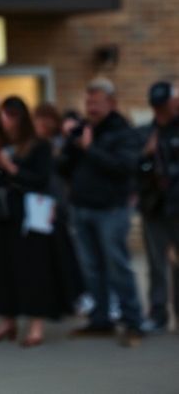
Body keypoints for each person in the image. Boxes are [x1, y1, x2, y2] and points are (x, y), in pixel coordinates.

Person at [0, 97, 81, 347]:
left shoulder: (38, 146)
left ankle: (36, 323)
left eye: (12, 115)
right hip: (3, 213)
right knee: (2, 267)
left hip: (29, 216)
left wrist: (11, 167)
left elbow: (40, 180)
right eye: (4, 115)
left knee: (33, 269)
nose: (7, 121)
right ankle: (7, 320)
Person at [58, 77, 144, 347]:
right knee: (92, 268)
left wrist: (89, 149)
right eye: (88, 102)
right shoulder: (83, 130)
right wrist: (70, 144)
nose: (91, 107)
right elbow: (63, 168)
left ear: (112, 103)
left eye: (96, 102)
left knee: (117, 265)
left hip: (111, 210)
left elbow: (123, 167)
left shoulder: (123, 132)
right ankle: (101, 319)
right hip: (82, 207)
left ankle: (133, 321)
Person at [135, 81, 179, 332]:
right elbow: (135, 170)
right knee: (156, 264)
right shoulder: (145, 133)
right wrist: (146, 157)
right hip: (155, 206)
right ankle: (158, 313)